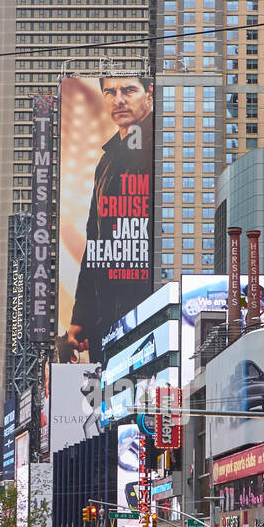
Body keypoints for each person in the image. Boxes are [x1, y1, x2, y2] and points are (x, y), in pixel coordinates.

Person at [63, 76, 155, 361]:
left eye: (128, 90)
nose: (119, 100)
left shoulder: (161, 142)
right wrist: (82, 315)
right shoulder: (106, 160)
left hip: (148, 305)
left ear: (149, 93)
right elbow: (95, 243)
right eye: (110, 92)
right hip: (106, 314)